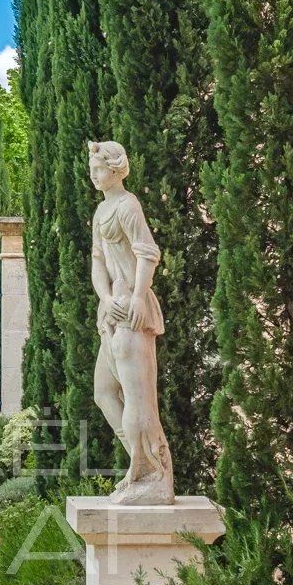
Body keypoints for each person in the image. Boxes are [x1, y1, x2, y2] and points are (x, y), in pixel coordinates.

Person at [88, 139, 176, 506]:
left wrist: (138, 296)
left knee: (139, 398)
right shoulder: (101, 211)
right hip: (112, 309)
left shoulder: (128, 206)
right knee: (105, 393)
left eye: (98, 169)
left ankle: (151, 471)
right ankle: (139, 462)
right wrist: (105, 299)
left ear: (115, 168)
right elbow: (97, 261)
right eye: (91, 170)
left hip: (131, 309)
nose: (93, 175)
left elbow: (147, 252)